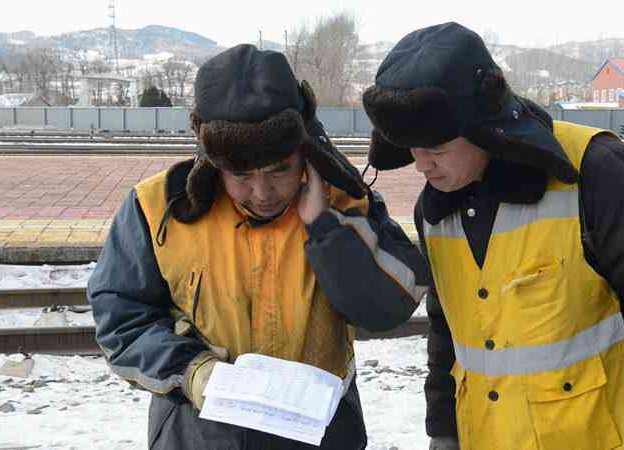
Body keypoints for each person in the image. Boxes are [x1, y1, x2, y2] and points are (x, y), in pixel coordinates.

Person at [362, 22, 624, 450]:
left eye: (436, 149)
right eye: (411, 150)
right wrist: (444, 429)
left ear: (483, 128)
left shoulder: (597, 172)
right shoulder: (436, 208)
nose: (421, 166)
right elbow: (447, 330)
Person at [88, 44, 429, 450]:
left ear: (304, 151)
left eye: (280, 170)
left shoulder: (344, 201)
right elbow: (121, 318)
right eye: (241, 175)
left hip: (320, 435)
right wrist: (192, 372)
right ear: (213, 159)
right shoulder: (156, 207)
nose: (262, 192)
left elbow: (387, 308)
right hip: (198, 436)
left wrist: (326, 228)